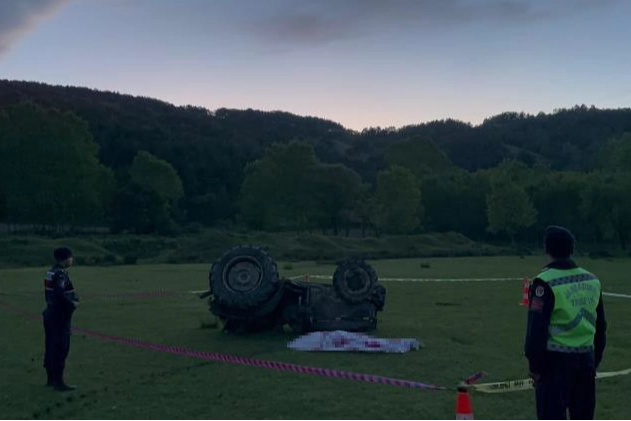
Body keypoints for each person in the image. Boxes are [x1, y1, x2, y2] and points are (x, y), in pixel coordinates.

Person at [525, 226, 607, 421]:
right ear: (572, 248)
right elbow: (601, 325)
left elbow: (536, 329)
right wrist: (595, 360)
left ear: (547, 249)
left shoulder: (544, 282)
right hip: (586, 360)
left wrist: (535, 366)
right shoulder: (592, 280)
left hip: (554, 364)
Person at [43, 247, 79, 391]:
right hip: (59, 316)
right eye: (71, 257)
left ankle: (50, 380)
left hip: (50, 314)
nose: (72, 260)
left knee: (50, 347)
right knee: (61, 348)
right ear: (65, 259)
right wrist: (72, 303)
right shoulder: (60, 274)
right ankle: (59, 382)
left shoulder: (51, 271)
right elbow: (59, 292)